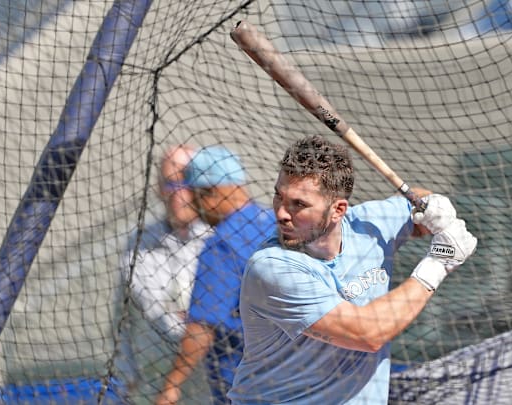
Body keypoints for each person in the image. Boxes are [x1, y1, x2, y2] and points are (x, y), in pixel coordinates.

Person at [227, 135, 478, 404]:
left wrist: (435, 206)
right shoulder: (272, 267)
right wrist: (438, 263)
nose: (281, 213)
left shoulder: (367, 225)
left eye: (299, 204)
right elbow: (367, 334)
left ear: (338, 210)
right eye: (279, 196)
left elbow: (416, 202)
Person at [156, 145, 276, 405]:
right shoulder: (276, 223)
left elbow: (201, 328)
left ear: (210, 193)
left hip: (247, 385)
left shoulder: (222, 243)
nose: (198, 210)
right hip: (296, 376)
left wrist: (171, 387)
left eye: (197, 200)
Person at [117, 144, 212, 394]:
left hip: (210, 383)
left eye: (185, 182)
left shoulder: (221, 239)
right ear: (159, 189)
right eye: (170, 183)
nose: (178, 193)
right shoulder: (139, 244)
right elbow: (123, 321)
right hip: (153, 382)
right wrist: (129, 376)